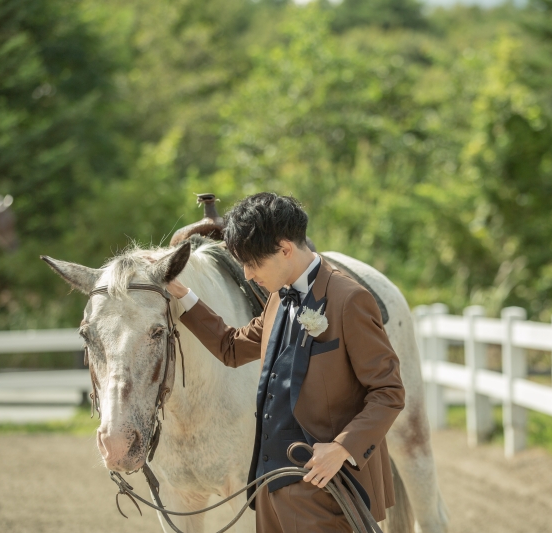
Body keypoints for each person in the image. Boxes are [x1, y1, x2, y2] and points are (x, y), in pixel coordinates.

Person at [166, 192, 405, 533]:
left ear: (285, 248)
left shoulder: (350, 299)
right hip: (269, 489)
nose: (248, 276)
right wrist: (182, 294)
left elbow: (388, 391)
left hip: (327, 490)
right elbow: (231, 348)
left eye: (253, 264)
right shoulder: (277, 299)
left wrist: (341, 448)